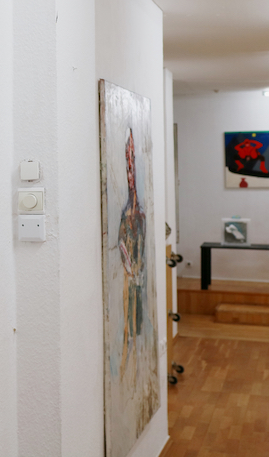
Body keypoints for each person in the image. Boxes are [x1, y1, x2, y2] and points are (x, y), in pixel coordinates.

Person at [117, 129, 146, 376]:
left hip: (137, 273)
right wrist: (130, 268)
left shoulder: (138, 214)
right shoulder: (128, 215)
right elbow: (122, 244)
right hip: (131, 274)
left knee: (137, 318)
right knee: (130, 320)